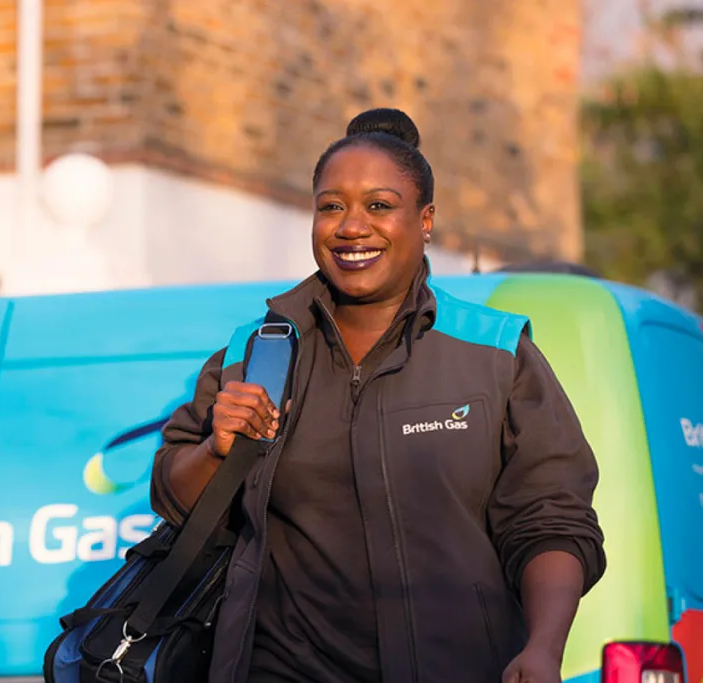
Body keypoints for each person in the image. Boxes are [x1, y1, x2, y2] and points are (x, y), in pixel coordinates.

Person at [150, 108, 606, 683]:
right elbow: (176, 499)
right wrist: (215, 451)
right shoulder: (255, 354)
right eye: (331, 206)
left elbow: (551, 520)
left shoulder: (494, 352)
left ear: (426, 220)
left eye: (380, 206)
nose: (351, 227)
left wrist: (544, 647)